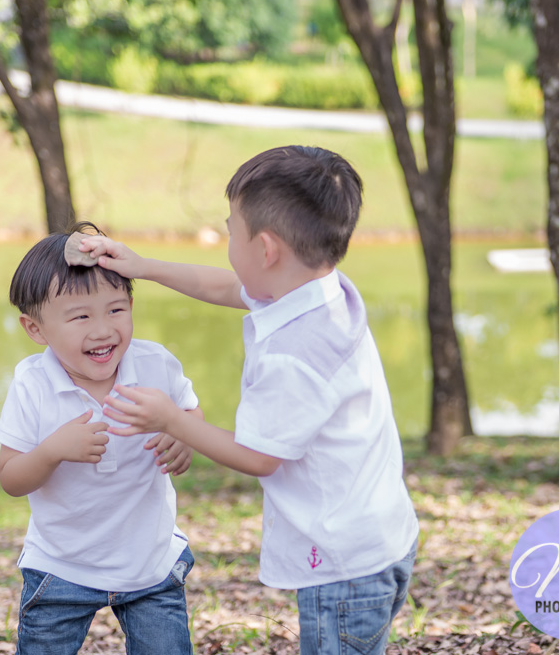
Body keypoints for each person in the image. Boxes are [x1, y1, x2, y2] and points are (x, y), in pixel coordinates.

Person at [81, 146, 420, 655]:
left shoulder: (296, 354)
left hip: (343, 567)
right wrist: (143, 266)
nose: (226, 245)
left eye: (230, 232)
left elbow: (260, 456)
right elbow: (225, 286)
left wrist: (172, 418)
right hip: (381, 537)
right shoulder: (321, 288)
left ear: (265, 249)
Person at [0, 222, 201, 655]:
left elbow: (190, 412)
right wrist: (51, 451)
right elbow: (11, 478)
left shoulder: (154, 364)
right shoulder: (32, 384)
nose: (104, 329)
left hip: (150, 563)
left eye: (116, 309)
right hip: (61, 567)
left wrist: (184, 435)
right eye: (81, 316)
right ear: (36, 329)